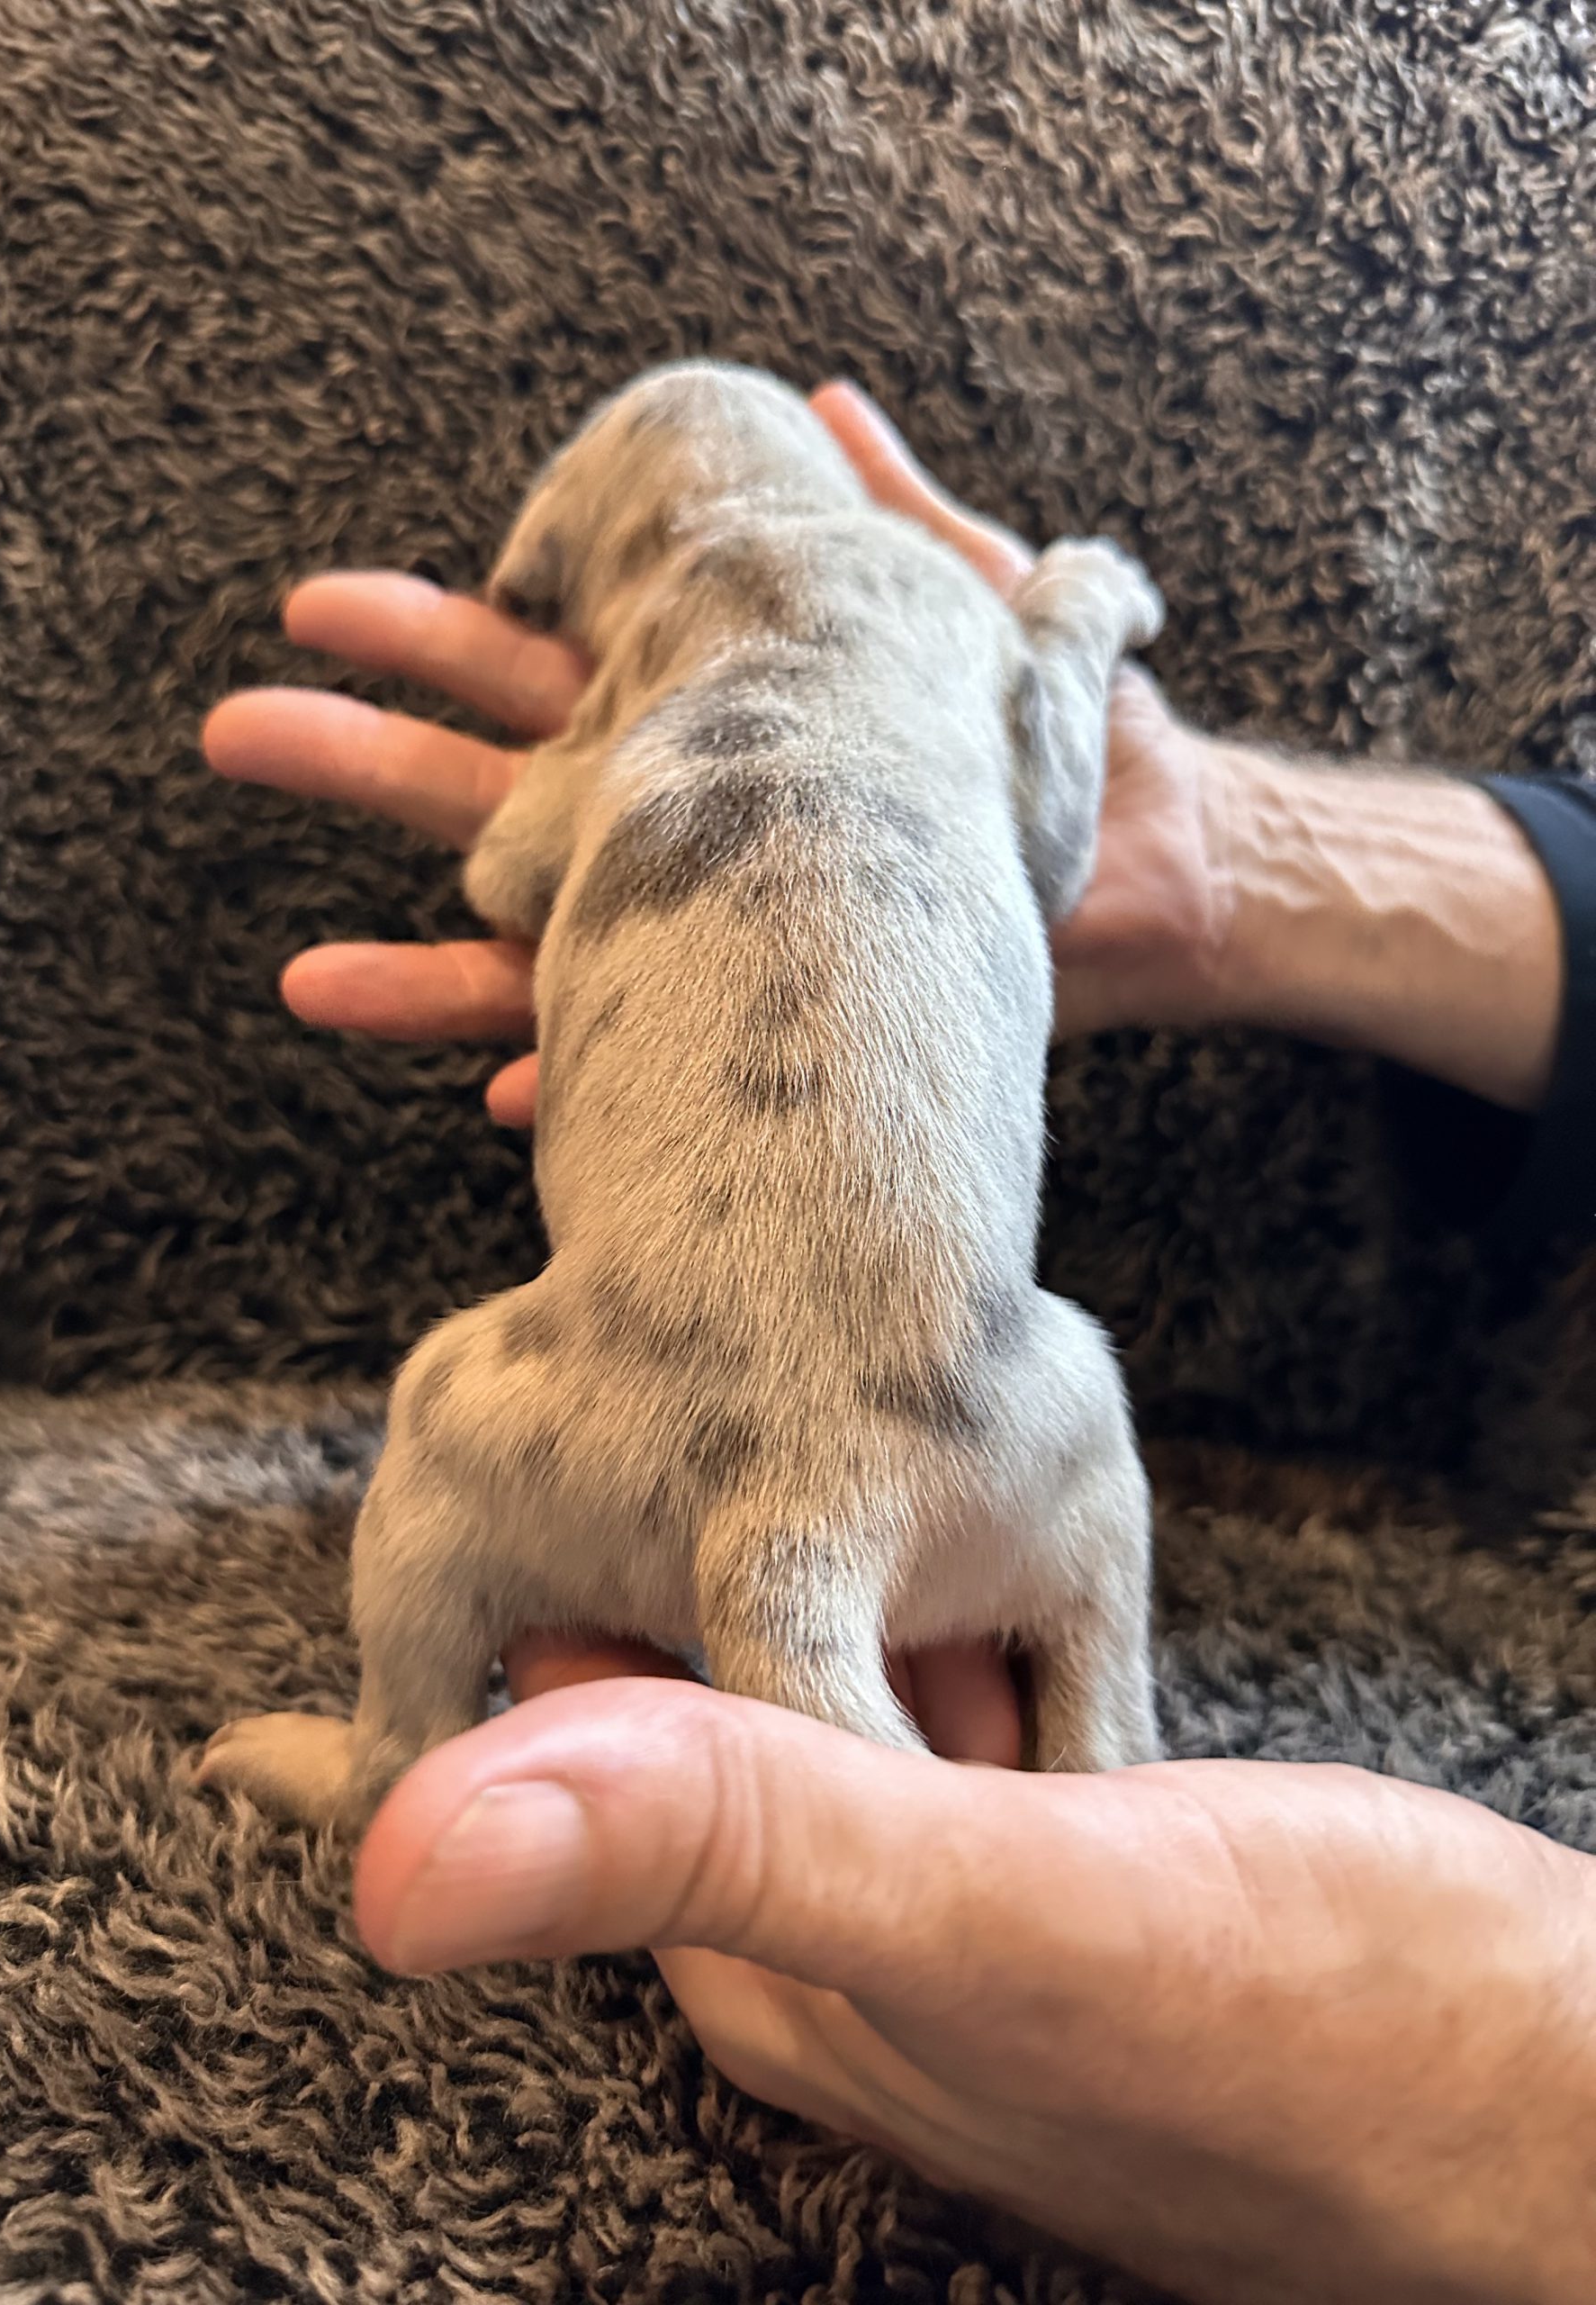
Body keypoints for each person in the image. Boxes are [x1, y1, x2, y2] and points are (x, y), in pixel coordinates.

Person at [203, 384, 1596, 2303]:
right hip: (959, 1464)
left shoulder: (654, 653)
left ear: (585, 557)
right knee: (1070, 1381)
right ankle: (1095, 1759)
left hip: (623, 1452)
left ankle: (398, 1752)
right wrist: (1073, 620)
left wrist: (597, 760)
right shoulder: (958, 616)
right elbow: (1053, 842)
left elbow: (510, 877)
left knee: (452, 1402)